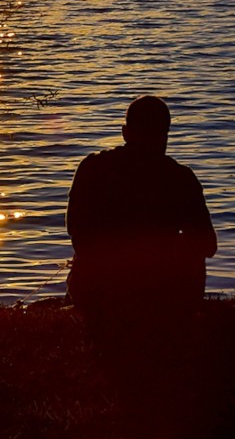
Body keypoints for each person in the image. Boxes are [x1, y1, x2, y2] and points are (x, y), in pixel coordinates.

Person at [66, 95, 216, 330]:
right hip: (164, 296)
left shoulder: (92, 168)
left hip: (98, 293)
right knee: (191, 247)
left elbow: (76, 231)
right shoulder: (180, 178)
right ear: (165, 134)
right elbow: (208, 245)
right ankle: (180, 313)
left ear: (125, 132)